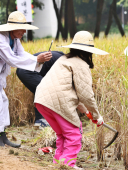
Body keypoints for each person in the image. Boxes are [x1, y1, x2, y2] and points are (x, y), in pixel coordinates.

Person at [34, 31, 109, 169]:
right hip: (58, 101)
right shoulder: (81, 64)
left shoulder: (63, 59)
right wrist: (97, 116)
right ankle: (67, 165)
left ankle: (59, 162)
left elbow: (72, 93)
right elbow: (86, 95)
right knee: (74, 134)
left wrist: (88, 113)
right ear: (89, 51)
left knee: (63, 133)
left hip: (41, 100)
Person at [0, 11, 52, 148]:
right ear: (13, 28)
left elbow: (22, 55)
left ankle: (2, 137)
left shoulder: (15, 40)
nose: (24, 31)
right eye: (22, 29)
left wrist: (38, 59)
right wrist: (36, 59)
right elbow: (11, 59)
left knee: (3, 104)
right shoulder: (1, 39)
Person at [16, 51, 64, 128]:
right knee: (49, 89)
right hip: (27, 71)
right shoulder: (65, 62)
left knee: (40, 91)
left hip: (21, 70)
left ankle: (40, 121)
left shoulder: (60, 57)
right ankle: (46, 120)